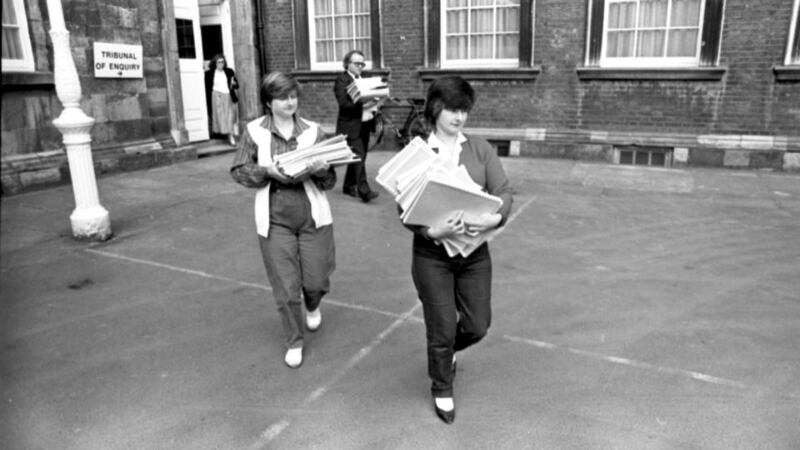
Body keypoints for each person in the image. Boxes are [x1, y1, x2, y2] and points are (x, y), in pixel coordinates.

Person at [402, 76, 513, 424]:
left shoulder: (479, 148)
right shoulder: (417, 152)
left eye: (464, 109)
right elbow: (404, 208)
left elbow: (505, 192)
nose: (459, 116)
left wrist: (493, 219)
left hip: (473, 252)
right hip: (432, 254)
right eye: (452, 108)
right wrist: (431, 230)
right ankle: (442, 387)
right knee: (441, 327)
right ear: (435, 108)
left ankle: (445, 352)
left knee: (479, 325)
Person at [230, 71, 337, 369]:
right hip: (274, 216)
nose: (290, 102)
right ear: (269, 101)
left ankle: (313, 303)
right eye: (283, 97)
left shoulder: (313, 131)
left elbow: (329, 182)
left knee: (316, 279)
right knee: (286, 287)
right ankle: (294, 340)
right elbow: (239, 169)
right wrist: (266, 172)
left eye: (293, 96)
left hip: (312, 213)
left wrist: (320, 170)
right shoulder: (254, 131)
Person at [333, 50, 379, 203]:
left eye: (362, 63)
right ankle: (364, 190)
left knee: (360, 156)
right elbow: (344, 105)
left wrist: (376, 100)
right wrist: (363, 104)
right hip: (350, 125)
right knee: (358, 155)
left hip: (365, 123)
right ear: (347, 64)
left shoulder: (365, 79)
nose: (361, 66)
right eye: (357, 63)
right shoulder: (342, 80)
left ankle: (348, 186)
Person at [205, 53, 239, 146]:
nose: (221, 63)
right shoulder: (209, 73)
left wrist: (233, 84)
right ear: (215, 63)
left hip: (228, 95)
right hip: (216, 96)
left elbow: (237, 85)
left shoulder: (229, 71)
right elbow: (207, 87)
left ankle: (230, 136)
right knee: (219, 117)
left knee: (229, 116)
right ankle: (222, 133)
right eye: (219, 62)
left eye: (222, 62)